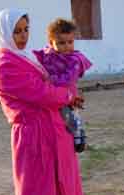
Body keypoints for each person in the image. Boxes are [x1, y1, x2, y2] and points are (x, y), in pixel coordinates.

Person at [0, 8, 94, 195]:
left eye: (26, 29)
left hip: (56, 130)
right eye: (16, 31)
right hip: (32, 134)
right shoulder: (5, 63)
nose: (23, 36)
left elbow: (56, 69)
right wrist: (68, 96)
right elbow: (40, 92)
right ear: (5, 32)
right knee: (35, 190)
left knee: (64, 185)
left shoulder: (29, 57)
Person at [34, 18, 92, 153]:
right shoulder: (47, 54)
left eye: (70, 42)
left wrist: (49, 79)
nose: (66, 46)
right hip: (51, 95)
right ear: (51, 42)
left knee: (71, 118)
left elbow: (68, 79)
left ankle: (79, 136)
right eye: (61, 43)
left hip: (68, 96)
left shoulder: (75, 60)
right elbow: (34, 59)